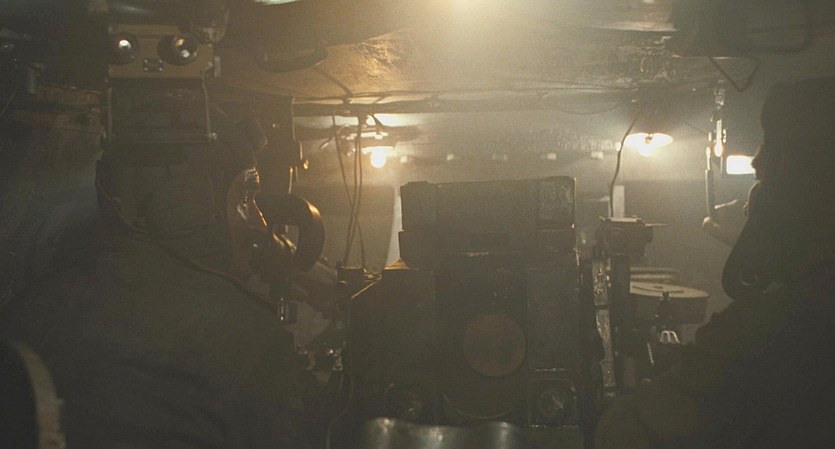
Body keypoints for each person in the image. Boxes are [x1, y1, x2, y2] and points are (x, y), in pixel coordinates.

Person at [0, 98, 319, 448]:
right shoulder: (252, 341)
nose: (259, 223)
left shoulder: (30, 309)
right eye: (245, 196)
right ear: (194, 207)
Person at [595, 76, 835, 448]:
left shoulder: (765, 328)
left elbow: (623, 433)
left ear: (801, 182)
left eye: (769, 148)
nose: (756, 161)